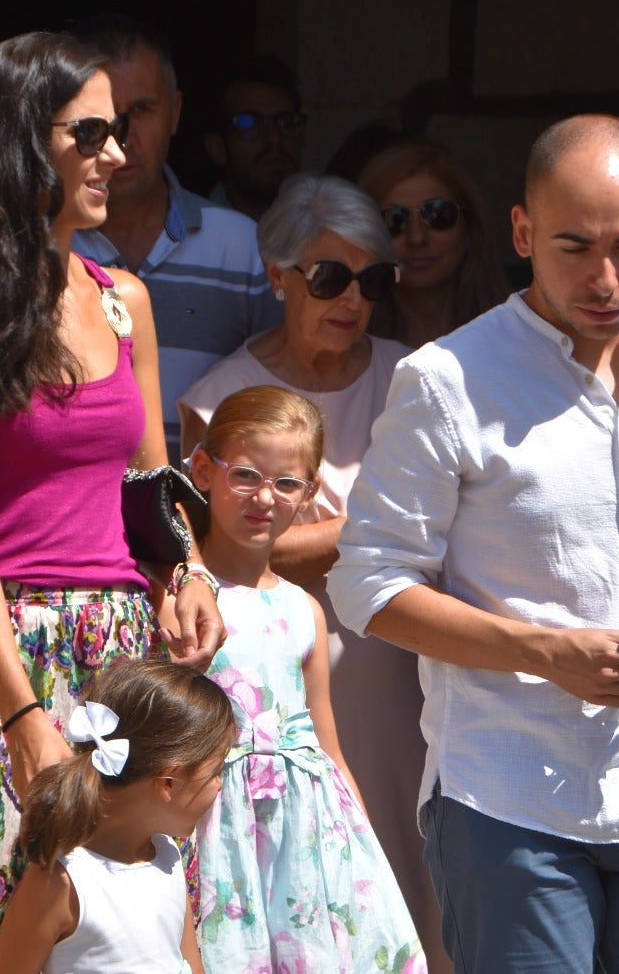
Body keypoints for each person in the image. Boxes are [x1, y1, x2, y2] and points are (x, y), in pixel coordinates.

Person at [328, 115, 619, 972]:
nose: (606, 276)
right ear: (520, 233)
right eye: (573, 246)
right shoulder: (446, 381)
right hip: (508, 799)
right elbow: (368, 583)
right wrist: (543, 651)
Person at [0, 32, 223, 972]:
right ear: (23, 141)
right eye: (91, 133)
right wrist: (24, 714)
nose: (118, 153)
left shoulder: (124, 302)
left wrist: (187, 571)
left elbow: (151, 487)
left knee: (123, 931)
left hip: (116, 656)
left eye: (121, 131)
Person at [177, 173, 447, 971]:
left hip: (407, 670)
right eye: (330, 276)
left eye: (372, 279)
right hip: (276, 679)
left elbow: (447, 530)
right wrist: (373, 534)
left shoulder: (417, 376)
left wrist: (326, 539)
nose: (351, 297)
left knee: (401, 875)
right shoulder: (221, 395)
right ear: (277, 276)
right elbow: (205, 546)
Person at [186, 385, 427, 972]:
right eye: (245, 475)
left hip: (306, 834)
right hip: (212, 824)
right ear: (201, 470)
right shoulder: (181, 598)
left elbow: (327, 748)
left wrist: (358, 844)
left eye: (286, 483)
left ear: (310, 492)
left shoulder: (304, 610)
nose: (264, 497)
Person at [70, 15, 282, 457]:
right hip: (78, 519)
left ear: (176, 113)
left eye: (142, 111)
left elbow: (280, 402)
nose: (122, 139)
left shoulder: (243, 250)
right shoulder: (44, 250)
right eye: (103, 117)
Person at [0, 659, 235, 974]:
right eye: (216, 771)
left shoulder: (167, 856)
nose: (219, 785)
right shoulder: (62, 884)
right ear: (169, 782)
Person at [357, 138, 514, 348]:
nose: (417, 238)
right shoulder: (348, 346)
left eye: (438, 215)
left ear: (469, 228)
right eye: (393, 219)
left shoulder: (515, 336)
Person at [203, 56, 307, 221]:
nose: (274, 138)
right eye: (250, 125)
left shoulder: (326, 229)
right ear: (218, 149)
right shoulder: (190, 236)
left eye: (286, 123)